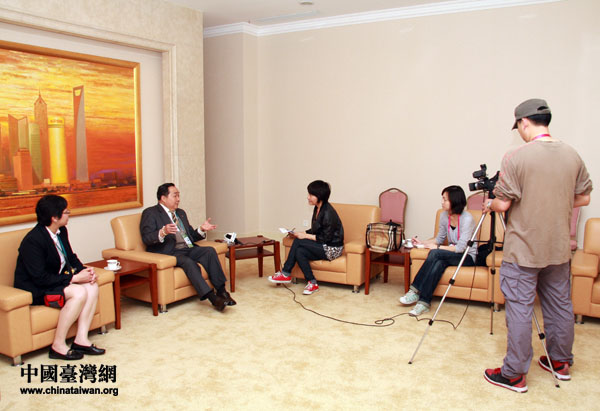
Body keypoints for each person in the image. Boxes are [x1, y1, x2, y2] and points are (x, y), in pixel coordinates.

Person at [483, 98, 592, 393]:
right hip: (558, 247)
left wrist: (490, 203)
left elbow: (503, 203)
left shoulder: (516, 156)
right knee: (559, 304)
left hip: (523, 249)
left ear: (524, 123)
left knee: (520, 308)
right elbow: (584, 197)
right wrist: (555, 198)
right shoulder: (572, 154)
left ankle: (514, 374)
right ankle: (560, 362)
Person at [14, 195, 106, 360]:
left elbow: (70, 257)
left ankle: (81, 340)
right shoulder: (33, 241)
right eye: (66, 212)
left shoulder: (61, 231)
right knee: (79, 292)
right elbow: (39, 278)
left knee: (91, 285)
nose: (69, 214)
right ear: (54, 217)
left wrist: (85, 272)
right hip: (37, 288)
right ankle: (58, 345)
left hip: (55, 281)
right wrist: (73, 279)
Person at [140, 183, 235, 312]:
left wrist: (201, 229)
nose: (178, 199)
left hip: (187, 248)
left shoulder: (180, 213)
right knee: (188, 262)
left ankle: (221, 291)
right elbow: (146, 238)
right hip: (169, 252)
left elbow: (190, 236)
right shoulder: (150, 213)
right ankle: (213, 298)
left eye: (178, 196)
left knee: (209, 251)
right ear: (163, 198)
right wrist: (163, 232)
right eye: (175, 196)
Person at [399, 185, 476, 316]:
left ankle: (414, 290)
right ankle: (424, 303)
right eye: (442, 199)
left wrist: (437, 248)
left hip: (467, 256)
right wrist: (422, 243)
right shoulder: (444, 215)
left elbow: (461, 248)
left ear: (454, 201)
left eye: (445, 199)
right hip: (451, 254)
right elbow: (439, 238)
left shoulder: (467, 219)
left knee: (435, 253)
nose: (442, 202)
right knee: (439, 263)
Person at [268, 180, 344, 295]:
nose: (308, 197)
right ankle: (312, 283)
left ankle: (286, 273)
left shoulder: (328, 213)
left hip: (332, 249)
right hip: (324, 245)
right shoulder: (317, 208)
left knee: (299, 241)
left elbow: (326, 238)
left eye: (311, 195)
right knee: (300, 251)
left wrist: (304, 236)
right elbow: (315, 230)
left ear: (320, 196)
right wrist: (299, 233)